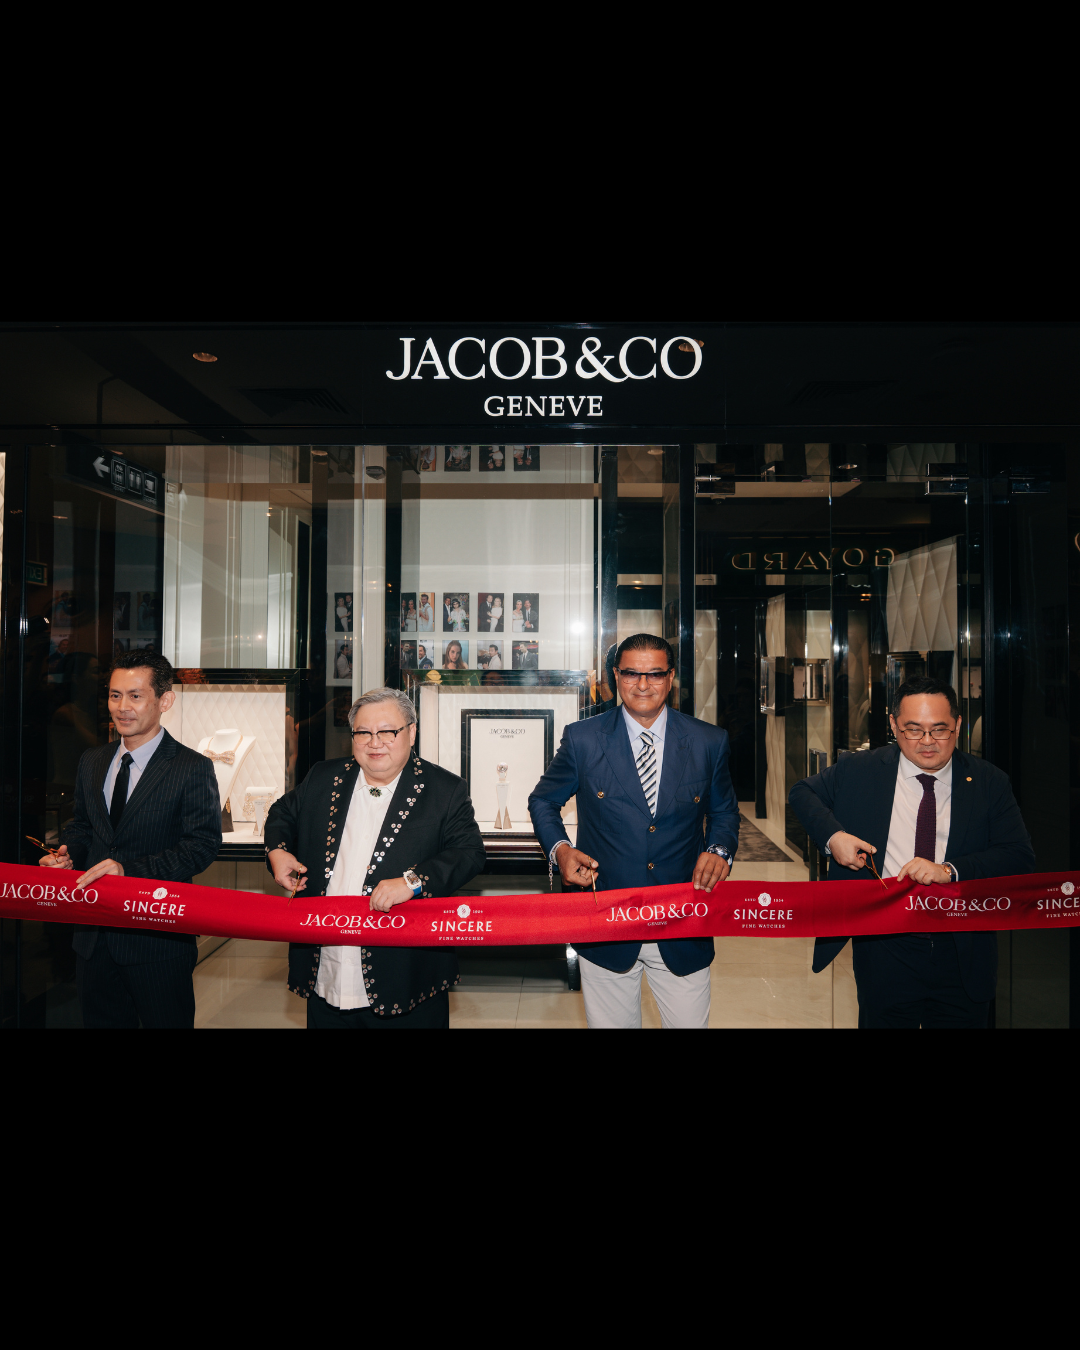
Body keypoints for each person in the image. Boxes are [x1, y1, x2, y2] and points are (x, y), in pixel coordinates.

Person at [789, 675, 1035, 1029]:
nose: (928, 743)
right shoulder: (862, 770)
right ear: (893, 724)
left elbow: (1018, 857)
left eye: (940, 730)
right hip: (886, 946)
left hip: (962, 949)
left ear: (958, 725)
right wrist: (835, 837)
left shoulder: (988, 781)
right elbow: (802, 792)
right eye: (913, 730)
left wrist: (949, 870)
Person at [529, 633, 739, 1029]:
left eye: (655, 674)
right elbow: (543, 800)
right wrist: (560, 849)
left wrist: (720, 850)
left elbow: (725, 813)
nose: (643, 685)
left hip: (682, 920)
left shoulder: (708, 741)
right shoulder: (584, 739)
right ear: (615, 676)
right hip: (606, 921)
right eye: (631, 674)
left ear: (671, 677)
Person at [265, 688, 485, 1028]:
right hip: (326, 964)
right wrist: (277, 851)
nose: (374, 742)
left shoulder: (444, 789)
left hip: (404, 972)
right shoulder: (325, 776)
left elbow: (469, 853)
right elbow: (283, 813)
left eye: (387, 731)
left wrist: (414, 881)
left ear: (411, 732)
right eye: (363, 733)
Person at [38, 651, 222, 1028]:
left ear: (164, 701)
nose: (122, 707)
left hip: (158, 939)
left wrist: (130, 870)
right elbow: (82, 827)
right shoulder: (92, 760)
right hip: (93, 938)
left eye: (135, 696)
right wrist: (67, 855)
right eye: (114, 695)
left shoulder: (191, 767)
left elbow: (200, 846)